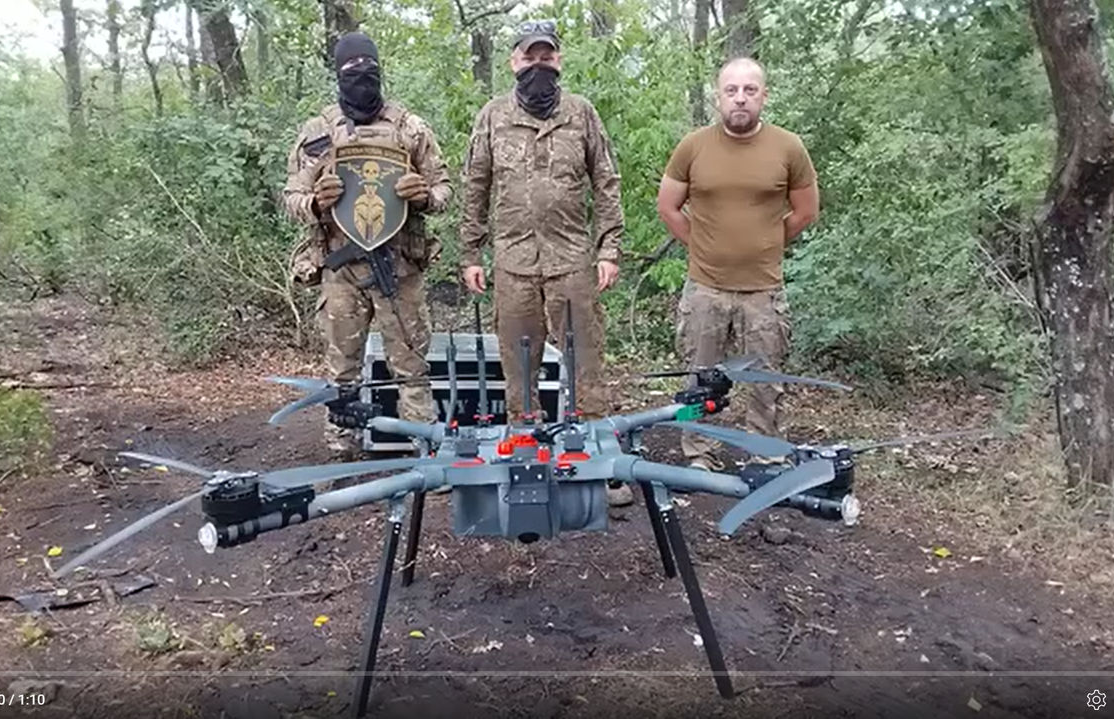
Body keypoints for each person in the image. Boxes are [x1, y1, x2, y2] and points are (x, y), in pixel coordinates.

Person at [459, 20, 631, 506]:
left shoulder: (582, 113)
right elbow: (475, 186)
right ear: (514, 62)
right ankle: (525, 460)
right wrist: (471, 254)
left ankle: (598, 464)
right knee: (519, 367)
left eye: (546, 57)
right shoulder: (492, 116)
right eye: (529, 57)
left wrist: (609, 249)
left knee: (585, 363)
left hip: (571, 260)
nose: (538, 65)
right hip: (513, 262)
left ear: (558, 60)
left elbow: (606, 182)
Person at [284, 31, 452, 460]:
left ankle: (425, 452)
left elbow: (444, 189)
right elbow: (291, 198)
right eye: (351, 68)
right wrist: (315, 202)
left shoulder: (410, 128)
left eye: (368, 66)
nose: (361, 74)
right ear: (337, 74)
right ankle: (342, 453)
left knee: (412, 367)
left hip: (400, 267)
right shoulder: (318, 132)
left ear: (380, 70)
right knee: (342, 372)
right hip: (340, 269)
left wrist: (425, 196)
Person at [656, 56, 820, 472]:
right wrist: (701, 244)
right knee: (699, 378)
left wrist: (766, 244)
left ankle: (765, 456)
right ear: (719, 97)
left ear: (764, 95)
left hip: (763, 291)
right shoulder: (693, 146)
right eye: (732, 91)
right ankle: (699, 455)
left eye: (750, 90)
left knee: (766, 382)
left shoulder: (788, 147)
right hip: (705, 288)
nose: (740, 98)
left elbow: (805, 211)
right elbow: (669, 207)